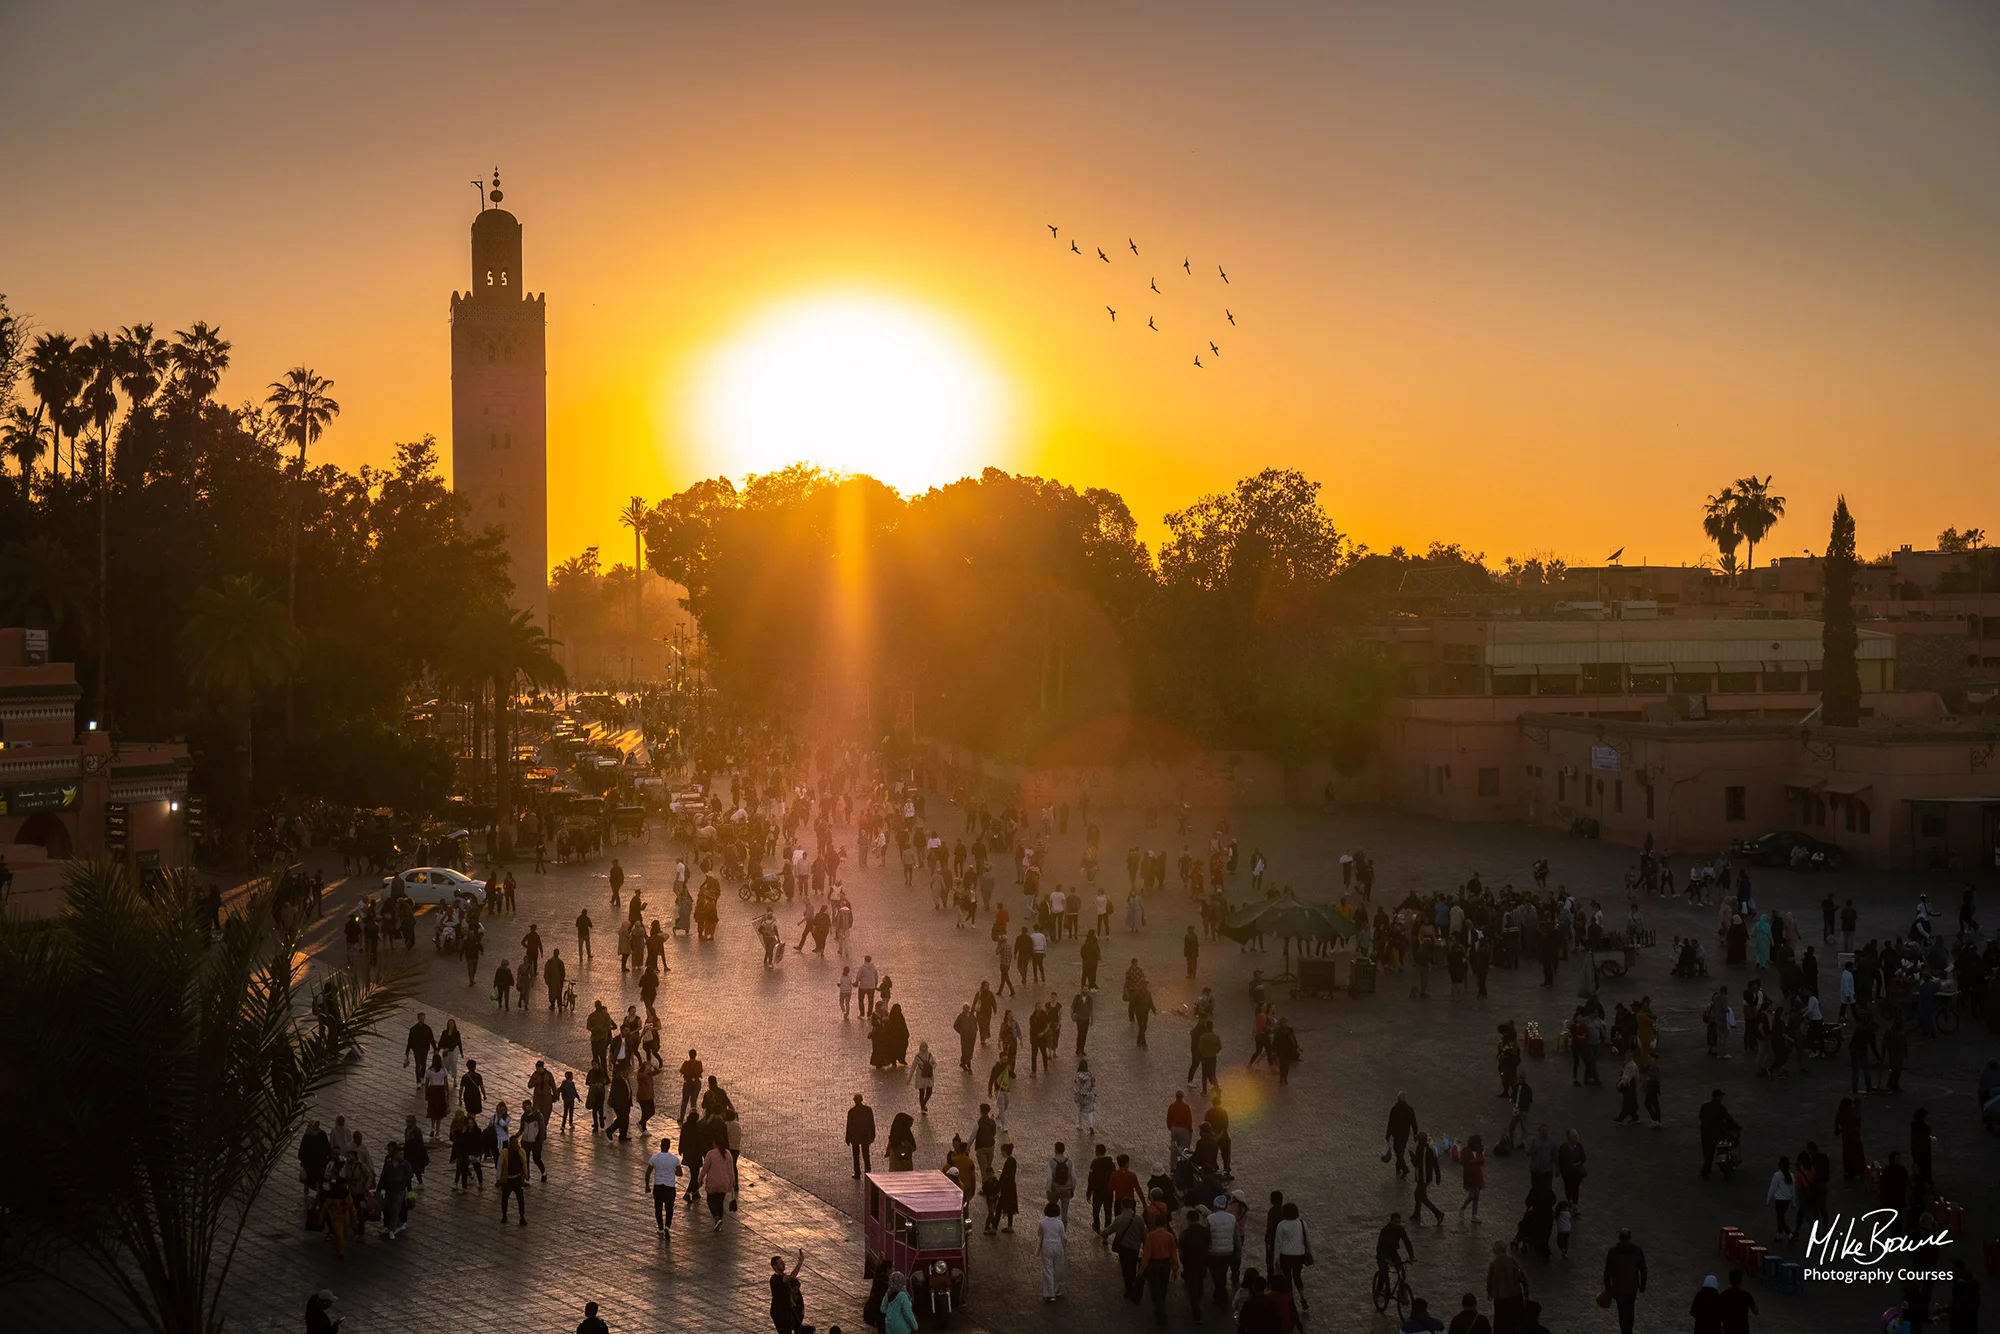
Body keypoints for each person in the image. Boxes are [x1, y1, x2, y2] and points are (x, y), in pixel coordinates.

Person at [1602, 1229, 1648, 1334]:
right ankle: (1629, 1330)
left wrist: (1608, 1287)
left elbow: (1608, 1271)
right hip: (1632, 1286)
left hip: (1619, 1287)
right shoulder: (1637, 1251)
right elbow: (1643, 1269)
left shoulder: (1613, 1252)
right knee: (1630, 1310)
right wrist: (1642, 1284)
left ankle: (1625, 1331)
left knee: (1622, 1311)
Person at [1141, 1209, 1180, 1326]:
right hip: (1165, 1265)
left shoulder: (1150, 1236)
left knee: (1155, 1288)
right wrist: (1175, 1268)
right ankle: (1161, 1305)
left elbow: (1146, 1254)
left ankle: (1159, 1310)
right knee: (1163, 1287)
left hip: (1153, 1265)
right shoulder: (1170, 1236)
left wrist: (1142, 1269)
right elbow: (1174, 1254)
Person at [647, 1136, 682, 1234]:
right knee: (669, 1208)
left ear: (660, 1146)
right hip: (670, 1186)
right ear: (669, 1147)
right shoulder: (674, 1159)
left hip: (658, 1186)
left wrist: (647, 1186)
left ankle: (660, 1228)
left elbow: (648, 1173)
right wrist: (672, 1171)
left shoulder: (654, 1158)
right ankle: (667, 1226)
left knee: (658, 1208)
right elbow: (680, 1173)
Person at [1038, 1200, 1068, 1301]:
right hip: (1058, 1245)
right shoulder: (1060, 1223)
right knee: (1058, 1268)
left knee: (1047, 1268)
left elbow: (1039, 1235)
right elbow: (1063, 1237)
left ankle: (1049, 1293)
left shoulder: (1042, 1223)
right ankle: (1057, 1289)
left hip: (1046, 1245)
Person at [769, 1249, 804, 1334]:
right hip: (779, 1313)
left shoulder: (783, 1277)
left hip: (787, 1311)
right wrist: (800, 1262)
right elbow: (792, 1276)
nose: (784, 1264)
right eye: (781, 1263)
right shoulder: (775, 1279)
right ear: (775, 1266)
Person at [1718, 1268, 1758, 1334]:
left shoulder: (1724, 1295)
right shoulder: (1746, 1295)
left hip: (1728, 1330)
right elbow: (1756, 1311)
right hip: (1743, 1330)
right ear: (1740, 1280)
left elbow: (1719, 1315)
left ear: (1730, 1280)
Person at [847, 1094, 877, 1177]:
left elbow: (849, 1125)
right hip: (865, 1135)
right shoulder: (867, 1110)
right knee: (866, 1154)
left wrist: (848, 1138)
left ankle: (857, 1173)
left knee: (856, 1156)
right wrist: (873, 1134)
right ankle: (868, 1171)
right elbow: (871, 1123)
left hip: (855, 1136)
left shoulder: (852, 1111)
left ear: (854, 1101)